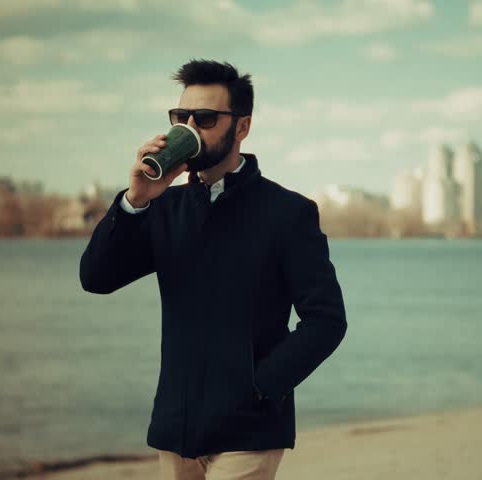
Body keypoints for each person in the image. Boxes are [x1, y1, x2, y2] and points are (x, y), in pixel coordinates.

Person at [79, 59, 348, 480]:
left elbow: (327, 320)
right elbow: (96, 279)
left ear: (242, 127)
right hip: (176, 427)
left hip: (250, 428)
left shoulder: (287, 213)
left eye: (204, 118)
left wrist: (260, 386)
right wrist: (136, 200)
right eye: (180, 117)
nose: (189, 127)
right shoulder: (164, 207)